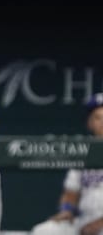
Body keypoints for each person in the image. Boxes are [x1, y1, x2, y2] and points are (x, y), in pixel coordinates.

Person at [29, 93, 103, 235]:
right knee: (43, 231)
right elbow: (70, 192)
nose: (102, 122)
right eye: (97, 117)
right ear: (90, 122)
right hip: (84, 219)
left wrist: (99, 223)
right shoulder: (84, 150)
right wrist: (67, 210)